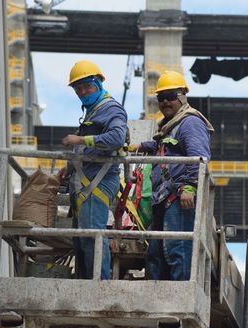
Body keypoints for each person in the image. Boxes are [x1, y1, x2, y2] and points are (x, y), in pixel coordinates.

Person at [132, 71, 213, 281]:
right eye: (161, 98)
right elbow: (165, 148)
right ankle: (160, 304)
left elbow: (199, 157)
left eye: (170, 96)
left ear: (182, 96)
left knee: (178, 251)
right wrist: (142, 146)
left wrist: (189, 188)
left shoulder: (190, 123)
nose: (165, 101)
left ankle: (180, 301)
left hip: (178, 199)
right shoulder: (170, 127)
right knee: (156, 254)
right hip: (163, 199)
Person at [58, 60, 127, 280]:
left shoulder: (111, 109)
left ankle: (99, 286)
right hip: (85, 182)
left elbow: (117, 138)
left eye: (87, 86)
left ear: (98, 84)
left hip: (98, 181)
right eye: (78, 89)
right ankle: (87, 284)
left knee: (92, 237)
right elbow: (88, 151)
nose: (83, 92)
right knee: (81, 239)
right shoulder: (93, 112)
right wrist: (69, 167)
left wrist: (80, 138)